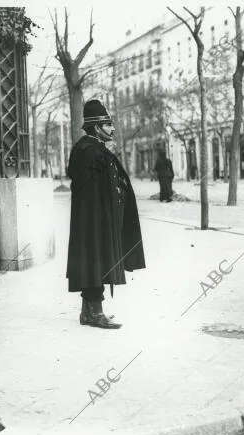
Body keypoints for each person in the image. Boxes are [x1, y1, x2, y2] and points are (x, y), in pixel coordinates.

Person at [66, 99, 146, 329]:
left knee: (95, 262)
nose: (112, 129)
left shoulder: (94, 149)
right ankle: (96, 313)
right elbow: (90, 193)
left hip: (99, 219)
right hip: (94, 222)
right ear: (95, 126)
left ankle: (87, 313)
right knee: (96, 262)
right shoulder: (88, 151)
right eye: (107, 124)